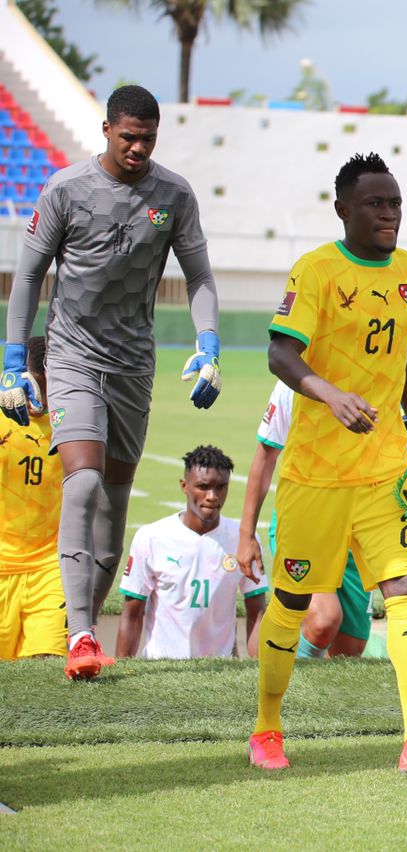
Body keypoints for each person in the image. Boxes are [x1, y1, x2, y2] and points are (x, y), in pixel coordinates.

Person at [249, 152, 407, 774]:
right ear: (343, 209)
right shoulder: (316, 270)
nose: (389, 214)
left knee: (406, 590)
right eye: (375, 204)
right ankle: (266, 729)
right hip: (315, 475)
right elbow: (280, 353)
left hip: (386, 471)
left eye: (395, 203)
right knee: (292, 600)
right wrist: (331, 395)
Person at [1, 85, 222, 680]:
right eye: (128, 137)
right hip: (72, 355)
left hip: (133, 365)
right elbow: (28, 276)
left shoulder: (173, 195)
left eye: (148, 138)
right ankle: (79, 634)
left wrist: (208, 343)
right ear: (106, 130)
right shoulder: (65, 189)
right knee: (84, 482)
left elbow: (199, 276)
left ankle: (82, 632)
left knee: (115, 499)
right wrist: (14, 357)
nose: (138, 148)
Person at [237, 379, 394, 659]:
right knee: (324, 620)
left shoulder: (382, 375)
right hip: (305, 520)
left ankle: (282, 663)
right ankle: (268, 674)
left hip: (360, 527)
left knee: (349, 649)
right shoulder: (293, 381)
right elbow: (265, 457)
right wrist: (246, 534)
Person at [116, 446, 266, 659]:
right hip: (162, 664)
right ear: (184, 486)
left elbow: (257, 613)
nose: (212, 496)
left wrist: (259, 669)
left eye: (221, 487)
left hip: (220, 666)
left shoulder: (244, 539)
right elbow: (132, 614)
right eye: (203, 487)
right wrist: (123, 668)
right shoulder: (151, 537)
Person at [0, 337, 67, 660]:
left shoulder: (72, 428)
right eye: (32, 388)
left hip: (50, 570)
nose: (37, 400)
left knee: (46, 665)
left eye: (45, 388)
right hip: (3, 567)